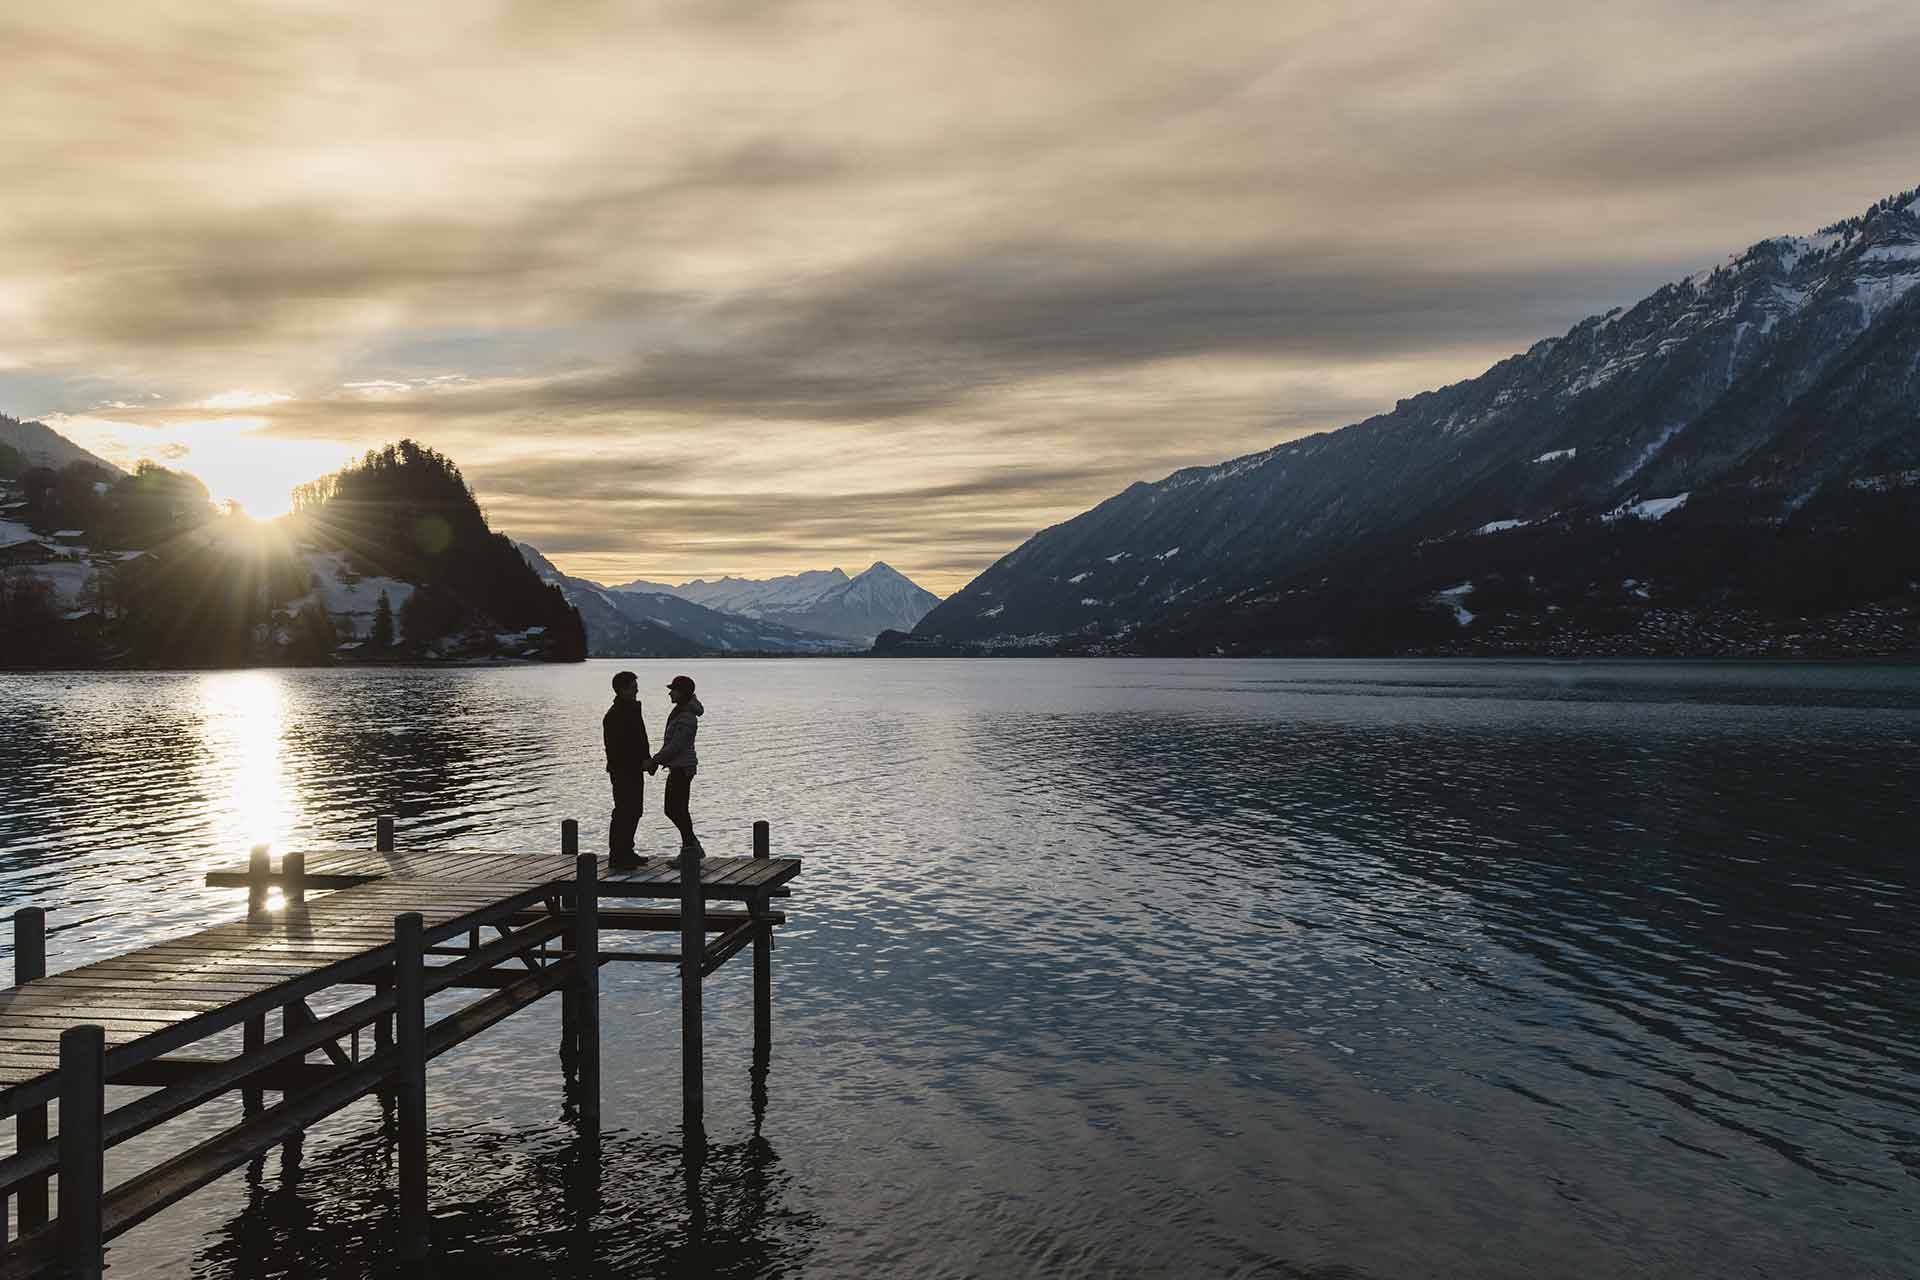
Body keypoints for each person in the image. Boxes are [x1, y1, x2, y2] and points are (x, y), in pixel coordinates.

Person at [602, 670, 654, 870]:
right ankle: (617, 855)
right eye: (633, 687)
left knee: (635, 811)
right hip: (623, 771)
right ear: (622, 690)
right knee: (624, 811)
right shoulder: (615, 715)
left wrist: (646, 759)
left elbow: (639, 740)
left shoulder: (630, 709)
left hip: (634, 769)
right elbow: (618, 748)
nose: (637, 690)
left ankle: (627, 851)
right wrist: (641, 762)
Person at [651, 674, 704, 861]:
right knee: (677, 808)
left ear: (681, 693)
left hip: (683, 768)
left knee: (675, 809)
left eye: (673, 690)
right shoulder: (681, 711)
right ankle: (691, 847)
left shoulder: (687, 717)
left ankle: (690, 848)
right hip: (679, 767)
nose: (670, 693)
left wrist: (655, 760)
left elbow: (676, 746)